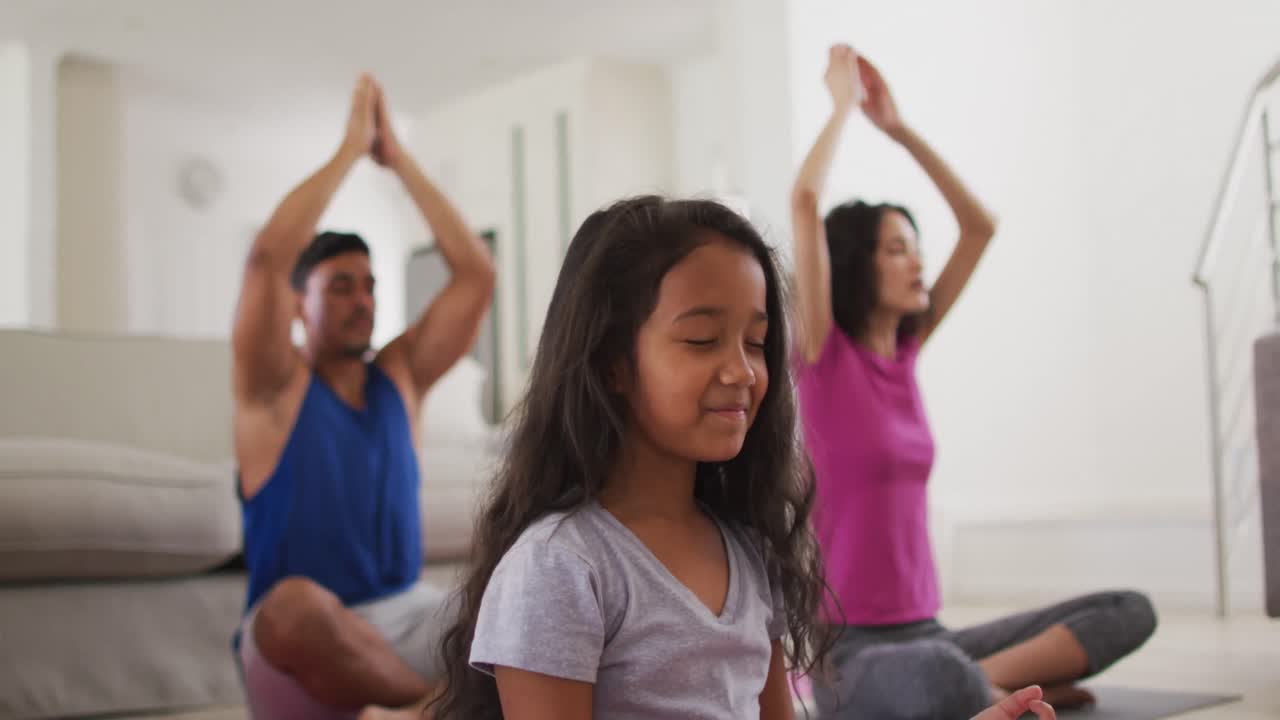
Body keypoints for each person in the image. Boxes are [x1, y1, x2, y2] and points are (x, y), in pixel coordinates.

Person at [424, 195, 1055, 720]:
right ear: (613, 363)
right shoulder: (558, 569)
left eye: (756, 343)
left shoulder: (747, 551)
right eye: (701, 340)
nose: (743, 371)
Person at [790, 45, 1156, 717]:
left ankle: (988, 684)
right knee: (939, 678)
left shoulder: (904, 353)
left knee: (1128, 610)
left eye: (916, 246)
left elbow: (979, 226)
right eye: (897, 249)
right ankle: (992, 687)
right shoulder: (822, 356)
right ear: (855, 265)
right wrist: (842, 107)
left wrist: (898, 129)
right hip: (849, 653)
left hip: (931, 631)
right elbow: (806, 201)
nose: (917, 263)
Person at [230, 73, 496, 720]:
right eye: (340, 287)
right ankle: (432, 708)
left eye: (370, 286)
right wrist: (350, 152)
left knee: (515, 599)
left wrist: (400, 163)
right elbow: (267, 259)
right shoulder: (274, 388)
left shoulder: (400, 376)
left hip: (406, 617)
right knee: (295, 605)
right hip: (303, 641)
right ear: (300, 304)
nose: (363, 301)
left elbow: (475, 274)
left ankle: (413, 707)